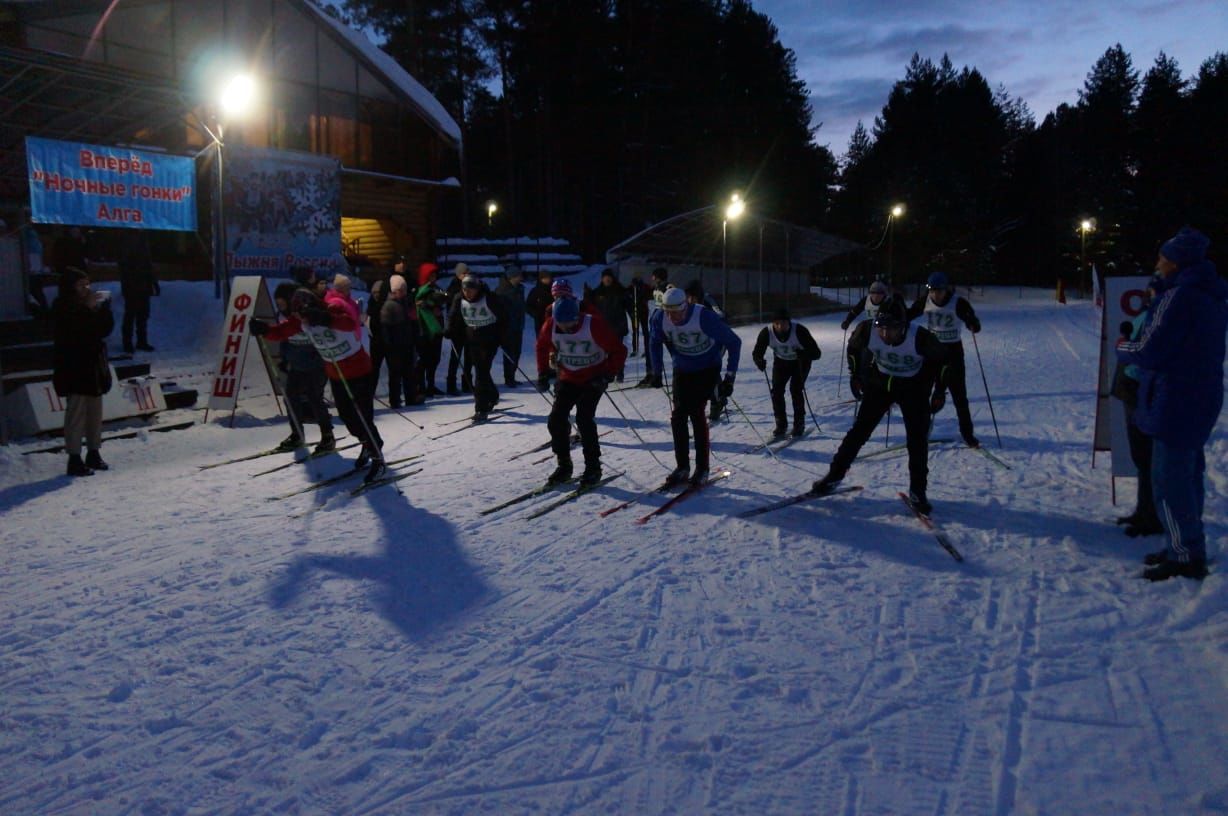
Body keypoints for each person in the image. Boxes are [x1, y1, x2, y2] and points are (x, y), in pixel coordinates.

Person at [1116, 227, 1227, 581]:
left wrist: (1123, 346)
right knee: (1187, 476)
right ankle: (1185, 545)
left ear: (1177, 262)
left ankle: (1185, 556)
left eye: (1163, 257)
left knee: (1170, 480)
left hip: (1176, 398)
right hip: (1197, 395)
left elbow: (1150, 348)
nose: (1158, 263)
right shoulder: (1206, 294)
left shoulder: (1180, 298)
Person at [813, 295, 949, 512]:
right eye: (881, 328)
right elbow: (853, 349)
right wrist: (855, 375)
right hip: (880, 384)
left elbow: (943, 363)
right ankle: (833, 476)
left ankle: (918, 491)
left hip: (912, 387)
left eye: (891, 329)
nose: (885, 334)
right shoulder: (867, 330)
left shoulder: (921, 338)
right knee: (859, 432)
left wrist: (939, 391)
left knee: (917, 439)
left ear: (903, 326)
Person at [252, 287, 385, 482]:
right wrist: (264, 330)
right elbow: (283, 330)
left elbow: (350, 322)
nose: (300, 319)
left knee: (362, 416)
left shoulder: (332, 309)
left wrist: (325, 319)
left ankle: (377, 456)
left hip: (359, 372)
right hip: (337, 374)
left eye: (302, 314)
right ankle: (367, 443)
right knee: (348, 418)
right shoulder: (301, 320)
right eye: (297, 315)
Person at [648, 286, 742, 486]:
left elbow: (734, 342)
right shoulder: (659, 318)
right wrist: (656, 372)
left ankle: (702, 468)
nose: (672, 317)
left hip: (707, 367)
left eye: (677, 312)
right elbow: (654, 342)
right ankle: (682, 467)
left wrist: (729, 377)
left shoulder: (703, 316)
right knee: (678, 416)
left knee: (696, 413)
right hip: (682, 368)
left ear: (686, 306)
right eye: (668, 312)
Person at [536, 297, 627, 486]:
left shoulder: (593, 325)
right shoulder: (550, 326)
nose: (568, 327)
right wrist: (543, 372)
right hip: (568, 377)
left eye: (571, 322)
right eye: (563, 323)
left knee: (584, 418)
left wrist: (608, 374)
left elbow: (619, 350)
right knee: (556, 419)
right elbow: (541, 347)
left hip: (593, 378)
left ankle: (593, 467)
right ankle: (564, 465)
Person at [1109, 277, 1163, 538]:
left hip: (1143, 389)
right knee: (1140, 456)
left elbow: (1144, 351)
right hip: (1132, 387)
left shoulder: (1159, 315)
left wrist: (1125, 347)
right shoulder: (1148, 312)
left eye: (1150, 292)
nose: (1146, 295)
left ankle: (1151, 516)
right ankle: (1143, 510)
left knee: (1147, 455)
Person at [906, 271, 982, 447]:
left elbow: (971, 318)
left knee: (959, 395)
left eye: (938, 291)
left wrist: (973, 324)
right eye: (932, 290)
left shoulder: (958, 302)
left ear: (946, 289)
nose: (935, 295)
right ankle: (921, 432)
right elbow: (909, 315)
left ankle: (967, 434)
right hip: (932, 350)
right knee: (922, 392)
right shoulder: (925, 301)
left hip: (953, 350)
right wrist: (897, 315)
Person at [52, 268, 114, 477]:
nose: (86, 289)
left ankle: (94, 452)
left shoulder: (88, 305)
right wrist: (87, 310)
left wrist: (104, 309)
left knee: (95, 413)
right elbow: (72, 332)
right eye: (81, 285)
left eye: (87, 284)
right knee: (76, 414)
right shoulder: (62, 306)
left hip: (93, 366)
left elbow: (103, 330)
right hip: (74, 367)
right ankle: (74, 457)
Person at [266, 282, 335, 454]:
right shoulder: (287, 318)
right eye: (278, 305)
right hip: (297, 365)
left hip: (315, 365)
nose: (281, 308)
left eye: (283, 304)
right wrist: (284, 358)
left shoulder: (307, 315)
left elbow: (322, 336)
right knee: (290, 397)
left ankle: (327, 436)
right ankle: (297, 434)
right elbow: (284, 336)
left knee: (314, 398)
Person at [752, 308, 822, 438]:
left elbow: (817, 353)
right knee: (776, 392)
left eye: (783, 323)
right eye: (777, 323)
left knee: (795, 390)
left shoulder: (799, 331)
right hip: (781, 362)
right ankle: (781, 424)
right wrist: (759, 361)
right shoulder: (767, 332)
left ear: (788, 322)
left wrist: (804, 354)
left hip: (800, 363)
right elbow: (757, 352)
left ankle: (799, 423)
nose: (780, 326)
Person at [446, 274, 506, 420]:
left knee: (481, 372)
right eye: (465, 290)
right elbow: (453, 316)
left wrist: (501, 338)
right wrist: (449, 329)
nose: (468, 293)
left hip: (489, 340)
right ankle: (492, 395)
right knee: (481, 370)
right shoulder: (459, 298)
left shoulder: (489, 298)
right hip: (472, 340)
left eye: (471, 290)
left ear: (477, 289)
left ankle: (481, 408)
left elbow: (504, 318)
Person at [381, 274, 423, 408]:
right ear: (395, 291)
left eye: (405, 289)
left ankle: (410, 397)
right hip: (395, 346)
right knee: (395, 374)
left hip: (407, 343)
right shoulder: (389, 305)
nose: (405, 292)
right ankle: (394, 399)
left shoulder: (404, 303)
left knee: (408, 373)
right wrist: (389, 345)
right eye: (402, 290)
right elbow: (385, 328)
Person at [587, 268, 631, 382]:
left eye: (609, 277)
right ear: (602, 279)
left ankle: (619, 372)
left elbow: (629, 305)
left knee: (617, 351)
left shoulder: (620, 290)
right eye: (605, 277)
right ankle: (606, 373)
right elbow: (590, 307)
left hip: (618, 325)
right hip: (603, 327)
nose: (607, 279)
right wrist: (587, 295)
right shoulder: (598, 292)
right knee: (603, 352)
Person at [118, 229, 158, 353]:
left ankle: (141, 341)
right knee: (131, 314)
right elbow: (124, 263)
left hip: (143, 284)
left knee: (143, 314)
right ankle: (128, 343)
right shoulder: (126, 238)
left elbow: (148, 263)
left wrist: (153, 282)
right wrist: (128, 282)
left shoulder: (143, 238)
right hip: (132, 284)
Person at [414, 262, 447, 397]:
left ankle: (431, 385)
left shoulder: (436, 289)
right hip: (424, 329)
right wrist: (431, 306)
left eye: (435, 275)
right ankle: (421, 386)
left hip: (436, 328)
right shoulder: (419, 290)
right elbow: (418, 305)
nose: (434, 277)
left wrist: (439, 305)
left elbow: (444, 298)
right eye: (431, 275)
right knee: (424, 359)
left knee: (434, 359)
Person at [635, 268, 671, 387]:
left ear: (658, 277)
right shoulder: (656, 288)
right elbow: (647, 294)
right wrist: (638, 286)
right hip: (656, 322)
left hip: (665, 323)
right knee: (654, 349)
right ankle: (655, 375)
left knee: (670, 349)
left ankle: (678, 374)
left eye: (654, 276)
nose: (652, 279)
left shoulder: (667, 287)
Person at [495, 265, 528, 386]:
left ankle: (512, 376)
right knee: (509, 353)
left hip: (518, 325)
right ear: (512, 277)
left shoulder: (520, 289)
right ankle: (508, 378)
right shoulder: (502, 291)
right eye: (518, 275)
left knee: (517, 352)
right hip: (507, 327)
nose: (521, 277)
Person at [444, 262, 474, 395]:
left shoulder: (470, 285)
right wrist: (449, 328)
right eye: (464, 273)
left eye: (468, 272)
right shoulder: (454, 288)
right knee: (455, 357)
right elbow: (451, 311)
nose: (466, 275)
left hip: (469, 326)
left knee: (469, 357)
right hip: (457, 328)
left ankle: (467, 383)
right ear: (458, 274)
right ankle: (451, 384)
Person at [366, 278, 388, 395]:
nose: (376, 295)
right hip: (375, 342)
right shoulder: (370, 305)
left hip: (388, 341)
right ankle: (370, 392)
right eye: (374, 293)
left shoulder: (387, 305)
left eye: (379, 293)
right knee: (374, 369)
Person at [526, 269, 554, 340]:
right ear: (541, 279)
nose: (548, 280)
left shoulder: (554, 290)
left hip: (554, 321)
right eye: (546, 278)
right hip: (540, 322)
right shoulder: (535, 291)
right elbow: (528, 306)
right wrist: (535, 314)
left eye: (549, 278)